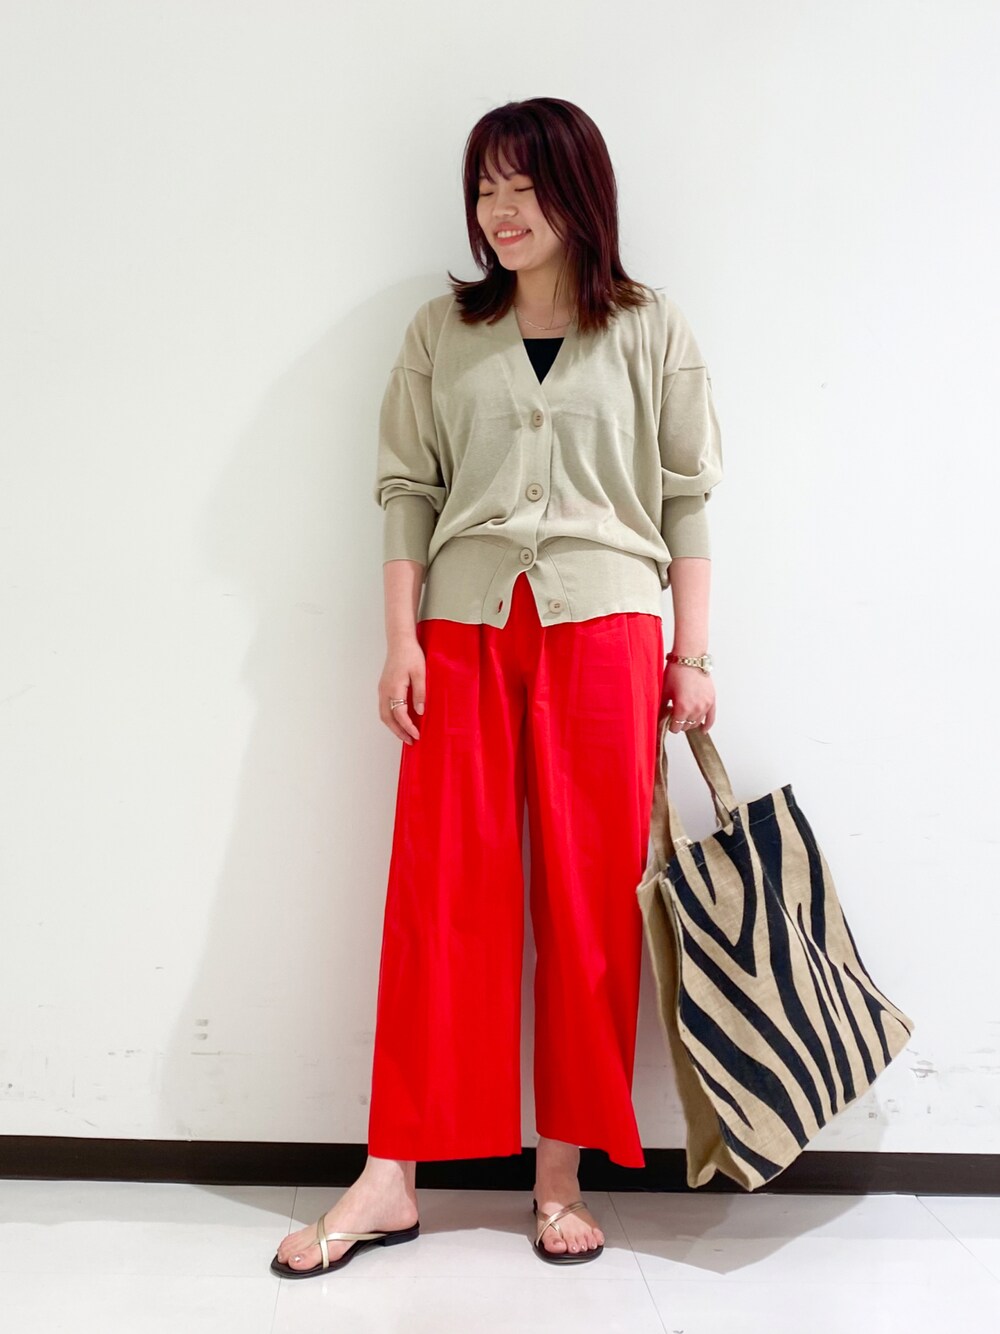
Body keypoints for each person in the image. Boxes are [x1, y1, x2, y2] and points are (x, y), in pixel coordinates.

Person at [272, 96, 723, 1278]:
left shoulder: (650, 326)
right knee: (439, 897)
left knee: (589, 903)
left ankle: (558, 1173)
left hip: (607, 631)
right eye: (485, 188)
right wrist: (400, 638)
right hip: (463, 631)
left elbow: (686, 497)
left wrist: (692, 653)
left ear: (580, 194)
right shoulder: (443, 329)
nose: (500, 212)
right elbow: (406, 490)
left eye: (523, 187)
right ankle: (390, 1175)